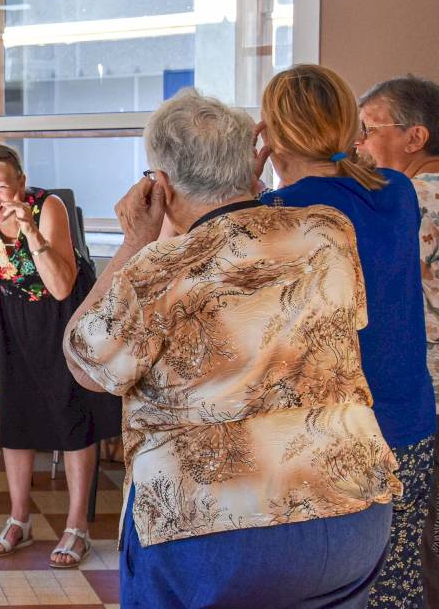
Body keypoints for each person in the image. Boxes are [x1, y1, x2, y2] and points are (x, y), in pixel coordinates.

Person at [63, 88, 400, 607]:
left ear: (162, 185)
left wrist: (135, 243)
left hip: (217, 527)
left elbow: (87, 363)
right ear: (254, 164)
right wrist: (249, 185)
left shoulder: (159, 269)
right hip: (349, 508)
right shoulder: (327, 233)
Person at [255, 65, 436, 608]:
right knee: (398, 579)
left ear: (270, 135)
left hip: (331, 434)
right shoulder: (399, 193)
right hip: (408, 421)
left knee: (321, 589)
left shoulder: (279, 213)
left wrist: (254, 184)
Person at [0, 142, 120, 566]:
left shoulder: (48, 207)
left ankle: (77, 527)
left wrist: (33, 234)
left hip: (61, 314)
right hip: (11, 315)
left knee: (71, 414)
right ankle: (20, 519)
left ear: (21, 183)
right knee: (14, 416)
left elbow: (61, 286)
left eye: (0, 188)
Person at [355, 73, 439, 606]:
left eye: (368, 130)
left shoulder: (412, 202)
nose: (359, 146)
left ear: (416, 137)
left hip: (420, 398)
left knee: (413, 552)